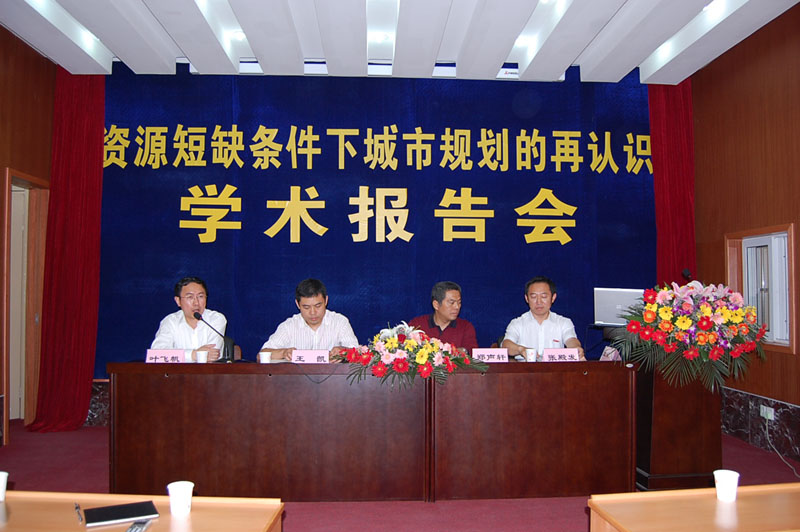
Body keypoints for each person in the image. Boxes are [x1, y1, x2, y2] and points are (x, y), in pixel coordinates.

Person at [260, 278, 358, 361]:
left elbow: (358, 353)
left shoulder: (340, 322)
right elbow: (261, 355)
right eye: (306, 307)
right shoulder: (289, 326)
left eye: (318, 306)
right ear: (297, 304)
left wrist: (343, 351)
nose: (313, 312)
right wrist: (284, 352)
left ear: (326, 300)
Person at [502, 276, 585, 360]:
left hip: (555, 367)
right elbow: (506, 345)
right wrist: (521, 349)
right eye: (533, 297)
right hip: (524, 367)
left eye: (544, 296)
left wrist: (576, 348)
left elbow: (571, 340)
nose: (539, 302)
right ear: (527, 299)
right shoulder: (517, 323)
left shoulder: (563, 322)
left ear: (553, 298)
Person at [151, 276, 226, 362]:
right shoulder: (170, 321)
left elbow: (212, 356)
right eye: (190, 297)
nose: (196, 303)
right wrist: (193, 355)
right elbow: (156, 355)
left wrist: (180, 356)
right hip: (177, 371)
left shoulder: (216, 319)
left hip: (209, 370)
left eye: (201, 296)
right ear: (178, 301)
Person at [409, 281, 478, 352]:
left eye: (459, 302)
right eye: (452, 303)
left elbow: (472, 353)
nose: (457, 307)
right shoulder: (417, 325)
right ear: (436, 305)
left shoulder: (465, 327)